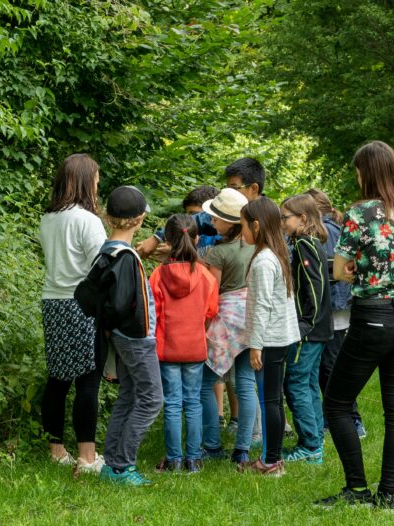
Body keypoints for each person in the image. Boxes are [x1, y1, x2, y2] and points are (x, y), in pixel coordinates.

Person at [315, 141, 394, 509]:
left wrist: (357, 270)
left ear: (366, 172)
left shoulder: (361, 213)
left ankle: (357, 490)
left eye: (358, 171)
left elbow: (338, 270)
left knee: (336, 401)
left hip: (374, 317)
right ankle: (389, 496)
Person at [75, 186, 163, 487]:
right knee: (152, 398)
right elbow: (123, 304)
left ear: (107, 216)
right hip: (136, 338)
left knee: (128, 395)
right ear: (139, 220)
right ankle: (123, 465)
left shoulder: (107, 250)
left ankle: (112, 463)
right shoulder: (126, 257)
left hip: (118, 337)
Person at [39, 153, 106, 478]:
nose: (97, 185)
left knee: (58, 379)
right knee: (88, 381)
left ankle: (56, 450)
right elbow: (104, 267)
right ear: (84, 181)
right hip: (83, 304)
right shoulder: (87, 220)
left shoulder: (49, 218)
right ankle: (87, 456)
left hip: (53, 301)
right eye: (95, 180)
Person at [150, 214, 219, 473]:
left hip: (167, 347)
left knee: (172, 403)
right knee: (193, 401)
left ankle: (174, 459)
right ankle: (194, 459)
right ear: (197, 239)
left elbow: (152, 313)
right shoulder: (205, 276)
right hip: (195, 347)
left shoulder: (158, 275)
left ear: (167, 240)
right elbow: (211, 311)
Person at [238, 197, 300, 476]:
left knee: (269, 400)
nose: (242, 233)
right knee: (271, 399)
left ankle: (271, 461)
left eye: (243, 227)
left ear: (256, 225)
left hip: (270, 341)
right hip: (279, 337)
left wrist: (255, 346)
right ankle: (271, 458)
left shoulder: (264, 260)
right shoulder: (276, 253)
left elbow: (262, 305)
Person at [199, 188, 258, 465]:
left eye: (216, 218)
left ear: (231, 223)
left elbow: (212, 290)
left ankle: (211, 444)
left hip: (225, 320)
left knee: (206, 382)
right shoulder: (255, 247)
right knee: (246, 383)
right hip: (251, 317)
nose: (212, 222)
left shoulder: (218, 253)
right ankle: (243, 448)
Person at [307, 189, 368, 439]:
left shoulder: (326, 231)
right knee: (328, 366)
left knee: (330, 367)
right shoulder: (330, 228)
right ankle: (335, 417)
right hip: (334, 306)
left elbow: (332, 271)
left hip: (332, 307)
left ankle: (352, 419)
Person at [279, 194, 333, 464]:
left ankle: (310, 445)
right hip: (318, 329)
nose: (282, 223)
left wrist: (304, 323)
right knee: (309, 383)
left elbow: (315, 286)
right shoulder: (311, 243)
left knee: (296, 383)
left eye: (285, 218)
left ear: (303, 218)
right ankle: (315, 442)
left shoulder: (304, 245)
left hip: (308, 330)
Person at [136, 185, 220, 259]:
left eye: (194, 214)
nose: (188, 219)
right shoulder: (187, 235)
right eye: (187, 215)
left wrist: (178, 253)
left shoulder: (219, 237)